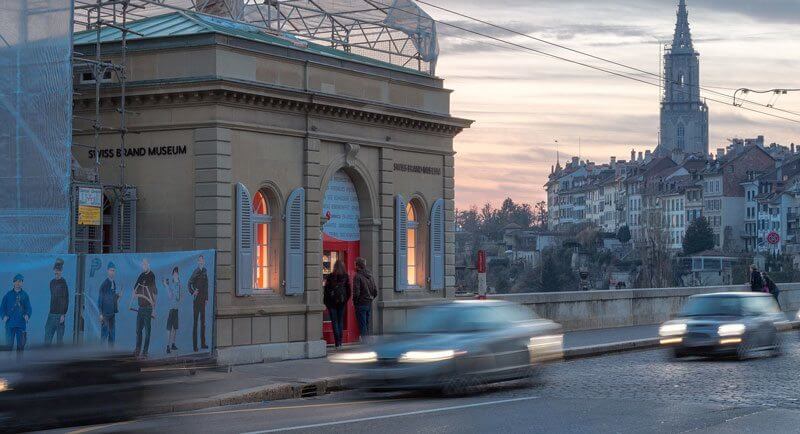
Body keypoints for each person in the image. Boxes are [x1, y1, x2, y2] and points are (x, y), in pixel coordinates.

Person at [1, 274, 31, 359]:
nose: (18, 283)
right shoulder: (8, 295)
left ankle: (20, 365)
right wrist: (3, 316)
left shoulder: (25, 295)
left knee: (20, 348)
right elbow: (2, 307)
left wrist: (27, 315)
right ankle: (8, 366)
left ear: (22, 283)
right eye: (16, 281)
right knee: (8, 347)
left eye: (20, 281)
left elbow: (28, 308)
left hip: (21, 325)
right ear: (13, 282)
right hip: (10, 325)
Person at [133, 258, 157, 359]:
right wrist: (135, 293)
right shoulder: (141, 275)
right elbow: (135, 288)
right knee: (138, 330)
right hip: (140, 307)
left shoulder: (151, 276)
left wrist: (153, 309)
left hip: (148, 307)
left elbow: (154, 293)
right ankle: (137, 349)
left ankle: (145, 352)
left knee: (147, 331)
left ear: (148, 264)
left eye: (146, 264)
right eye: (143, 264)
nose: (144, 266)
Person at [324, 260, 351, 348]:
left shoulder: (330, 276)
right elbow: (349, 291)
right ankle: (340, 342)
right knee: (340, 322)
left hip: (331, 303)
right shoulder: (345, 276)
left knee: (334, 322)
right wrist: (345, 300)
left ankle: (337, 343)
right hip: (341, 303)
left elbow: (326, 291)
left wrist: (326, 302)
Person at [45, 258, 69, 346]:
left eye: (58, 270)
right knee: (47, 338)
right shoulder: (51, 283)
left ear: (61, 271)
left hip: (60, 315)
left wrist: (63, 314)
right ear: (53, 270)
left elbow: (66, 299)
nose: (56, 272)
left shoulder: (63, 283)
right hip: (51, 314)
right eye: (55, 270)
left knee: (59, 341)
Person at [352, 257, 377, 339]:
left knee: (362, 324)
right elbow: (375, 290)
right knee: (366, 323)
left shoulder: (357, 276)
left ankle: (365, 342)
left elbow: (356, 292)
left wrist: (355, 302)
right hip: (368, 302)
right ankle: (368, 340)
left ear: (358, 266)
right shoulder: (370, 275)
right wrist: (371, 298)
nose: (354, 266)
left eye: (355, 264)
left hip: (361, 303)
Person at [188, 255, 209, 352]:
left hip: (203, 300)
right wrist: (193, 292)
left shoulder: (205, 271)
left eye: (202, 260)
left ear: (204, 262)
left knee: (203, 323)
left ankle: (203, 344)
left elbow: (206, 286)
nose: (201, 262)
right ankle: (195, 346)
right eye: (199, 261)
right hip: (196, 300)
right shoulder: (196, 271)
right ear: (198, 262)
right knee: (195, 323)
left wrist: (206, 298)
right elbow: (189, 283)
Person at [98, 262, 119, 347]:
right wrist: (100, 314)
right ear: (107, 271)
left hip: (112, 314)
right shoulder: (104, 284)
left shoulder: (114, 283)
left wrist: (117, 296)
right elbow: (100, 300)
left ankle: (111, 353)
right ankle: (101, 353)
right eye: (111, 270)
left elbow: (112, 297)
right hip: (105, 314)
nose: (112, 272)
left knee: (112, 335)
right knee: (104, 335)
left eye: (114, 270)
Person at [165, 266, 181, 354]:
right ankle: (168, 346)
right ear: (172, 274)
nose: (176, 274)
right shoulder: (171, 283)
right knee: (169, 328)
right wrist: (166, 286)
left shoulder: (178, 283)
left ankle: (173, 344)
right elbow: (170, 296)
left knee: (175, 328)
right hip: (171, 309)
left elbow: (178, 296)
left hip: (176, 309)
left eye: (177, 273)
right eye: (174, 273)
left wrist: (179, 297)